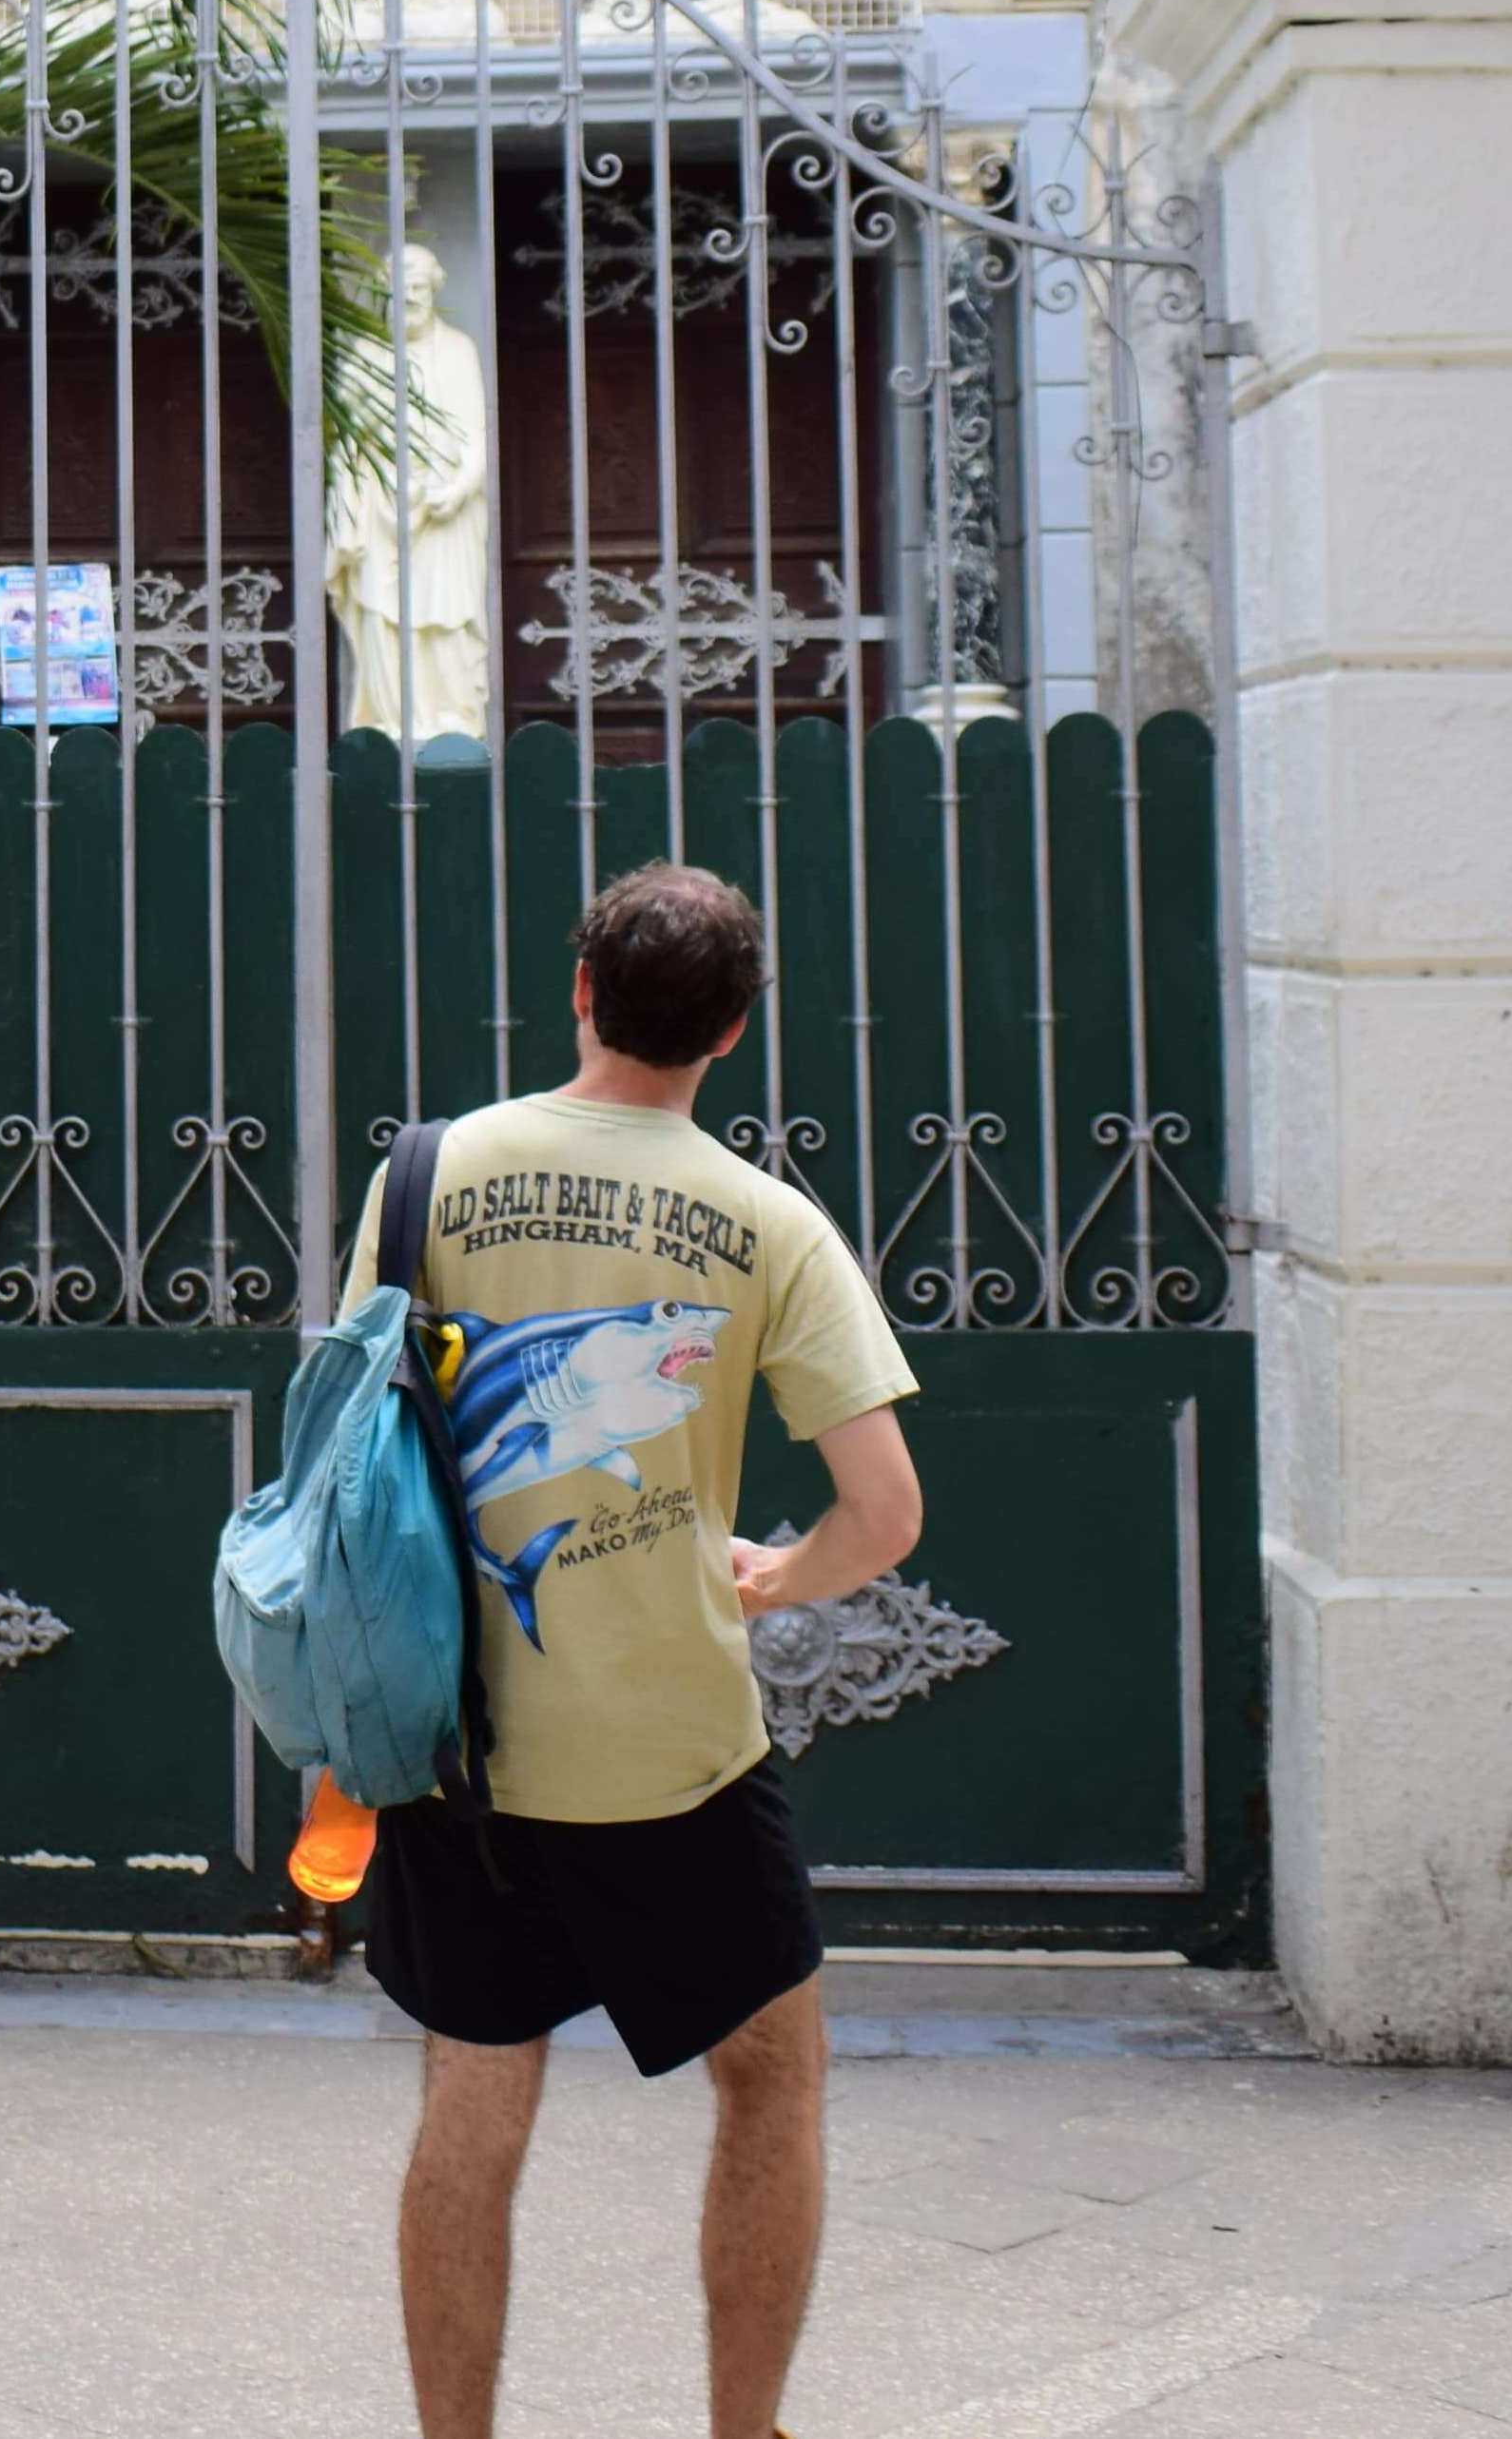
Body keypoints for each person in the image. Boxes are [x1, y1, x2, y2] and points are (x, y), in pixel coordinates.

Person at [351, 861, 925, 2439]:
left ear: (581, 990)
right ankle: (743, 2433)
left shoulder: (426, 1173)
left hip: (456, 1737)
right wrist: (772, 1576)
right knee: (772, 2074)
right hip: (674, 1749)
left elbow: (353, 1442)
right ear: (733, 1032)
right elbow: (883, 1513)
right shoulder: (768, 1224)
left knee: (473, 2092)